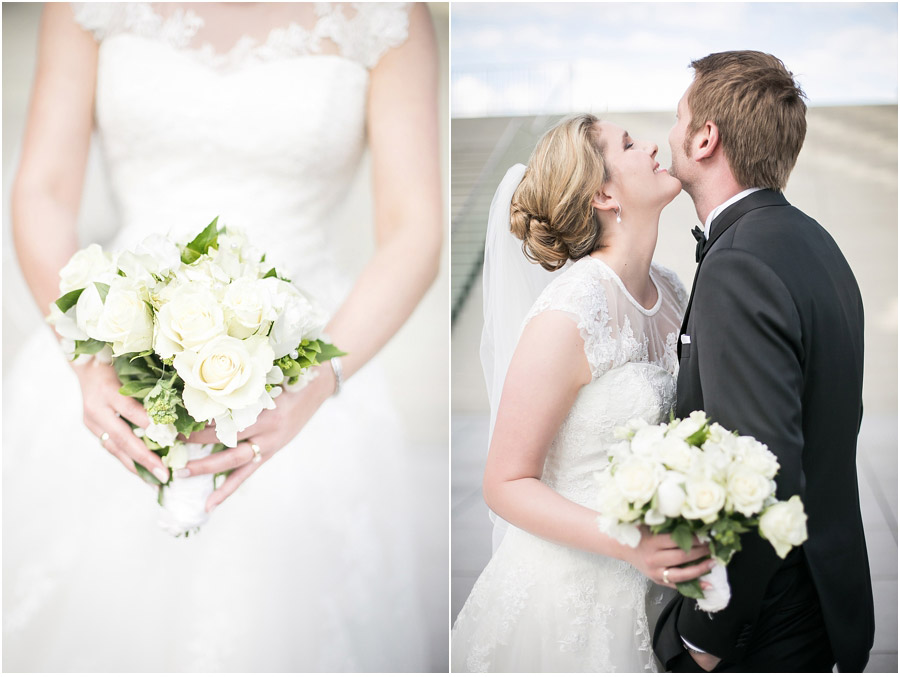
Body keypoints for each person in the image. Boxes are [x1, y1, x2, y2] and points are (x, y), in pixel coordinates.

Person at [5, 3, 442, 671]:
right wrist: (86, 355)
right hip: (110, 349)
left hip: (302, 372)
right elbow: (43, 189)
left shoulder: (387, 15)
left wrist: (315, 383)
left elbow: (414, 229)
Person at [451, 114, 715, 672]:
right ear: (602, 193)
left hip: (661, 586)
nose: (651, 146)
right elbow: (505, 483)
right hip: (570, 595)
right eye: (627, 143)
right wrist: (629, 544)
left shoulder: (670, 288)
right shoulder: (569, 313)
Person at [652, 50, 874, 672]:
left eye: (677, 118)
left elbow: (765, 471)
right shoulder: (811, 239)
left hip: (766, 622)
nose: (668, 135)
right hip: (823, 593)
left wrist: (704, 635)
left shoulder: (739, 264)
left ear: (704, 138)